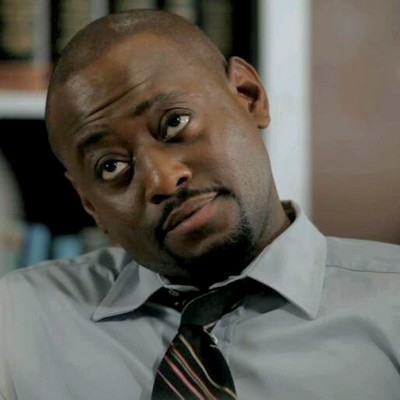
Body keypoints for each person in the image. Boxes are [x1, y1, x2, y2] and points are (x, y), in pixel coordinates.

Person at [1, 8, 400, 400]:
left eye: (175, 122)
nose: (161, 179)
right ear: (89, 203)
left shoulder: (391, 306)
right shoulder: (22, 322)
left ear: (249, 97)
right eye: (111, 166)